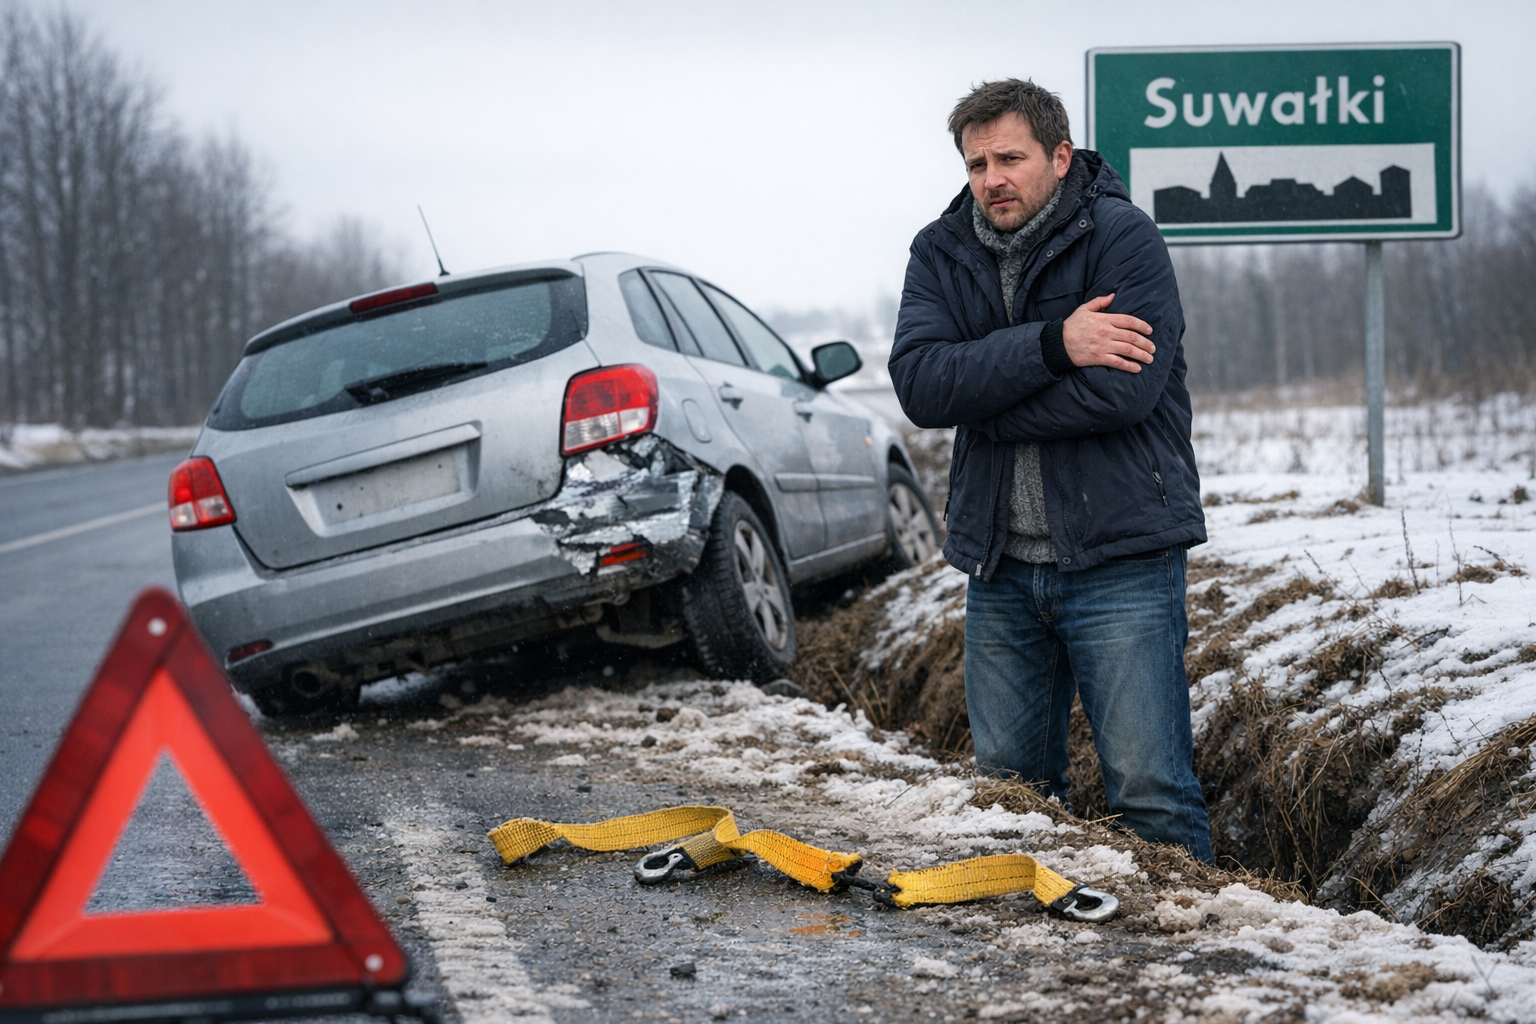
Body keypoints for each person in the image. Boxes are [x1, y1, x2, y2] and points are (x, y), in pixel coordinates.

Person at [889, 78, 1213, 861]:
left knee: (1150, 794)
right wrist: (1053, 346)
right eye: (975, 164)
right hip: (999, 566)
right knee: (1010, 797)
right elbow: (922, 384)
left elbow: (1123, 392)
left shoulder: (1124, 238)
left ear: (1060, 156)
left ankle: (1187, 964)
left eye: (1009, 157)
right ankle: (1042, 971)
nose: (991, 178)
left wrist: (986, 403)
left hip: (1121, 557)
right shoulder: (941, 251)